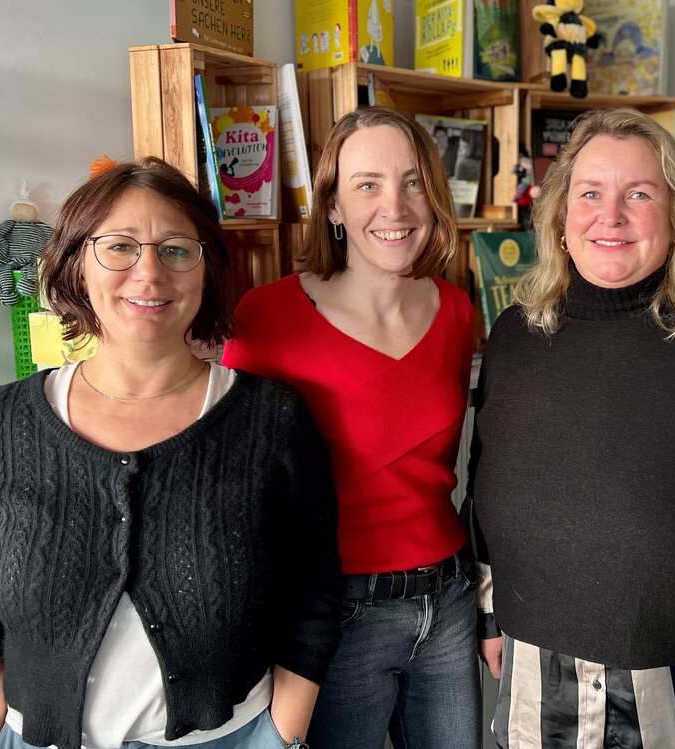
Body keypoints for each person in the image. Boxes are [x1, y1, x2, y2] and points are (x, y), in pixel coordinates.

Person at [0, 157, 342, 749]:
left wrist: (280, 734)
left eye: (177, 249)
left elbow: (314, 590)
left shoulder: (270, 421)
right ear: (77, 262)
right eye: (120, 247)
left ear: (206, 269)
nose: (149, 273)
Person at [467, 107, 675, 748]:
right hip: (530, 665)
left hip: (673, 674)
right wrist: (492, 614)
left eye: (639, 193)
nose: (612, 216)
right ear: (560, 214)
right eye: (591, 194)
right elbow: (486, 480)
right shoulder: (515, 336)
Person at [222, 107, 480, 749]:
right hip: (335, 614)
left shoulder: (455, 310)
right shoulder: (270, 317)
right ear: (332, 205)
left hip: (447, 600)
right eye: (368, 184)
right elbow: (232, 475)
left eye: (413, 181)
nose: (394, 206)